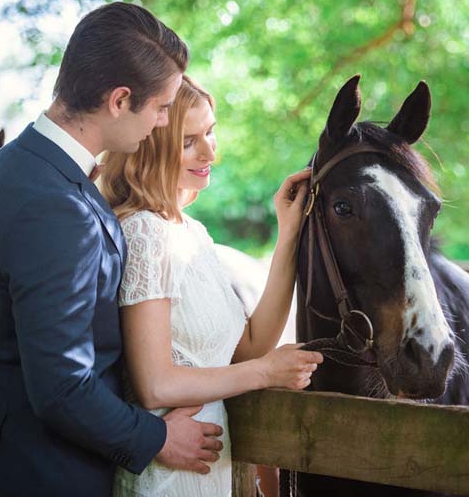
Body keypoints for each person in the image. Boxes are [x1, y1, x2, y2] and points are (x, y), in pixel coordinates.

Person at [0, 3, 223, 497]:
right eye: (161, 107)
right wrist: (157, 438)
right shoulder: (54, 204)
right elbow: (62, 386)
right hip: (35, 479)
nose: (162, 122)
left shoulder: (18, 162)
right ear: (120, 100)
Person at [101, 75, 323, 497]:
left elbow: (249, 347)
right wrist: (265, 373)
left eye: (210, 132)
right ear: (153, 146)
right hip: (166, 475)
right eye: (189, 141)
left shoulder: (194, 233)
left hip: (208, 467)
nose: (209, 152)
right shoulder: (145, 233)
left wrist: (289, 234)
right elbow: (155, 386)